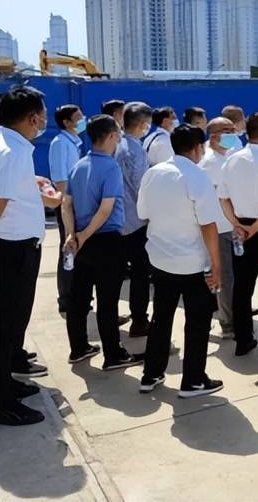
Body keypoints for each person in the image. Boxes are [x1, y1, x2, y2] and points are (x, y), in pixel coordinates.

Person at [136, 124, 224, 398]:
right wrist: (217, 266)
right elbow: (209, 225)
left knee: (161, 318)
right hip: (192, 262)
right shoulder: (197, 177)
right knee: (197, 322)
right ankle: (194, 380)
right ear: (198, 148)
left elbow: (143, 214)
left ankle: (151, 374)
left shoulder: (153, 173)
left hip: (161, 259)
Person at [61, 115, 142, 371]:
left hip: (81, 241)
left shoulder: (79, 165)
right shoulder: (110, 167)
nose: (119, 138)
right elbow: (106, 209)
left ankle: (79, 348)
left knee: (79, 300)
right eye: (117, 134)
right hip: (106, 240)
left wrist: (72, 234)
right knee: (107, 301)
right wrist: (83, 236)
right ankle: (113, 353)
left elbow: (66, 203)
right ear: (109, 136)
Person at [0, 86, 60, 425]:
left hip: (14, 248)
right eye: (43, 115)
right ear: (33, 117)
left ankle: (7, 381)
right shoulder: (14, 152)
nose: (44, 121)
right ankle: (3, 401)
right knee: (7, 324)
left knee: (9, 324)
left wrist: (30, 184)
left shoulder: (6, 143)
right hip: (12, 251)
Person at [218, 113, 258, 359]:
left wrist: (236, 224)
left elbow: (223, 198)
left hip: (241, 228)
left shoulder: (232, 160)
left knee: (242, 288)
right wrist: (257, 228)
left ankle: (243, 339)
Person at [199, 117, 240, 339]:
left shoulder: (228, 156)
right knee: (224, 275)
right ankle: (227, 322)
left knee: (231, 275)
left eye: (233, 129)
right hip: (219, 226)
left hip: (231, 225)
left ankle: (231, 315)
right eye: (228, 130)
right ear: (214, 136)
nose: (233, 133)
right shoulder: (209, 163)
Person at [116, 102, 153, 336]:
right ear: (141, 124)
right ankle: (139, 320)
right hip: (136, 221)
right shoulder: (135, 149)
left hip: (117, 219)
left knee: (115, 274)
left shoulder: (115, 143)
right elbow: (142, 186)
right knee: (141, 274)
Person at [49, 103, 85, 314]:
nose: (83, 120)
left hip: (76, 203)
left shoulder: (73, 142)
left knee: (77, 252)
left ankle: (79, 298)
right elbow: (61, 181)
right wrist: (70, 206)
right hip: (68, 205)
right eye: (78, 117)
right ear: (67, 122)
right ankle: (67, 299)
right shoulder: (60, 143)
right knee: (68, 250)